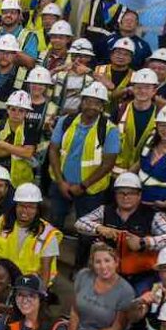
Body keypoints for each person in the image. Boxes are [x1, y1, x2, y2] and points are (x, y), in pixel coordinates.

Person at [76, 172, 166, 290]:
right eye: (121, 193)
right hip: (108, 273)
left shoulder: (153, 215)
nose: (125, 197)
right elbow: (80, 223)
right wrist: (99, 228)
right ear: (115, 194)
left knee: (138, 305)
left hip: (142, 276)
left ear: (139, 195)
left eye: (131, 193)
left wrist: (144, 242)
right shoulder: (105, 210)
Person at [48, 82, 118, 232]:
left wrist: (83, 186)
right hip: (61, 185)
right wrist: (61, 182)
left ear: (102, 106)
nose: (92, 106)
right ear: (82, 102)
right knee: (53, 226)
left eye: (97, 103)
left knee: (87, 232)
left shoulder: (110, 129)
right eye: (88, 101)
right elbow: (53, 150)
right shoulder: (65, 121)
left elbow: (108, 164)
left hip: (90, 191)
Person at [68, 242, 135, 330]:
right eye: (98, 262)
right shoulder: (83, 276)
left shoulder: (126, 291)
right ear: (92, 263)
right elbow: (75, 310)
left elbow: (117, 328)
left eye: (107, 261)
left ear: (116, 262)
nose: (103, 266)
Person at [0, 183, 62, 286]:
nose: (25, 211)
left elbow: (46, 272)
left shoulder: (47, 234)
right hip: (4, 281)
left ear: (38, 209)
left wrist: (40, 296)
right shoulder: (2, 223)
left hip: (30, 285)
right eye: (21, 205)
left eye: (31, 207)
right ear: (16, 206)